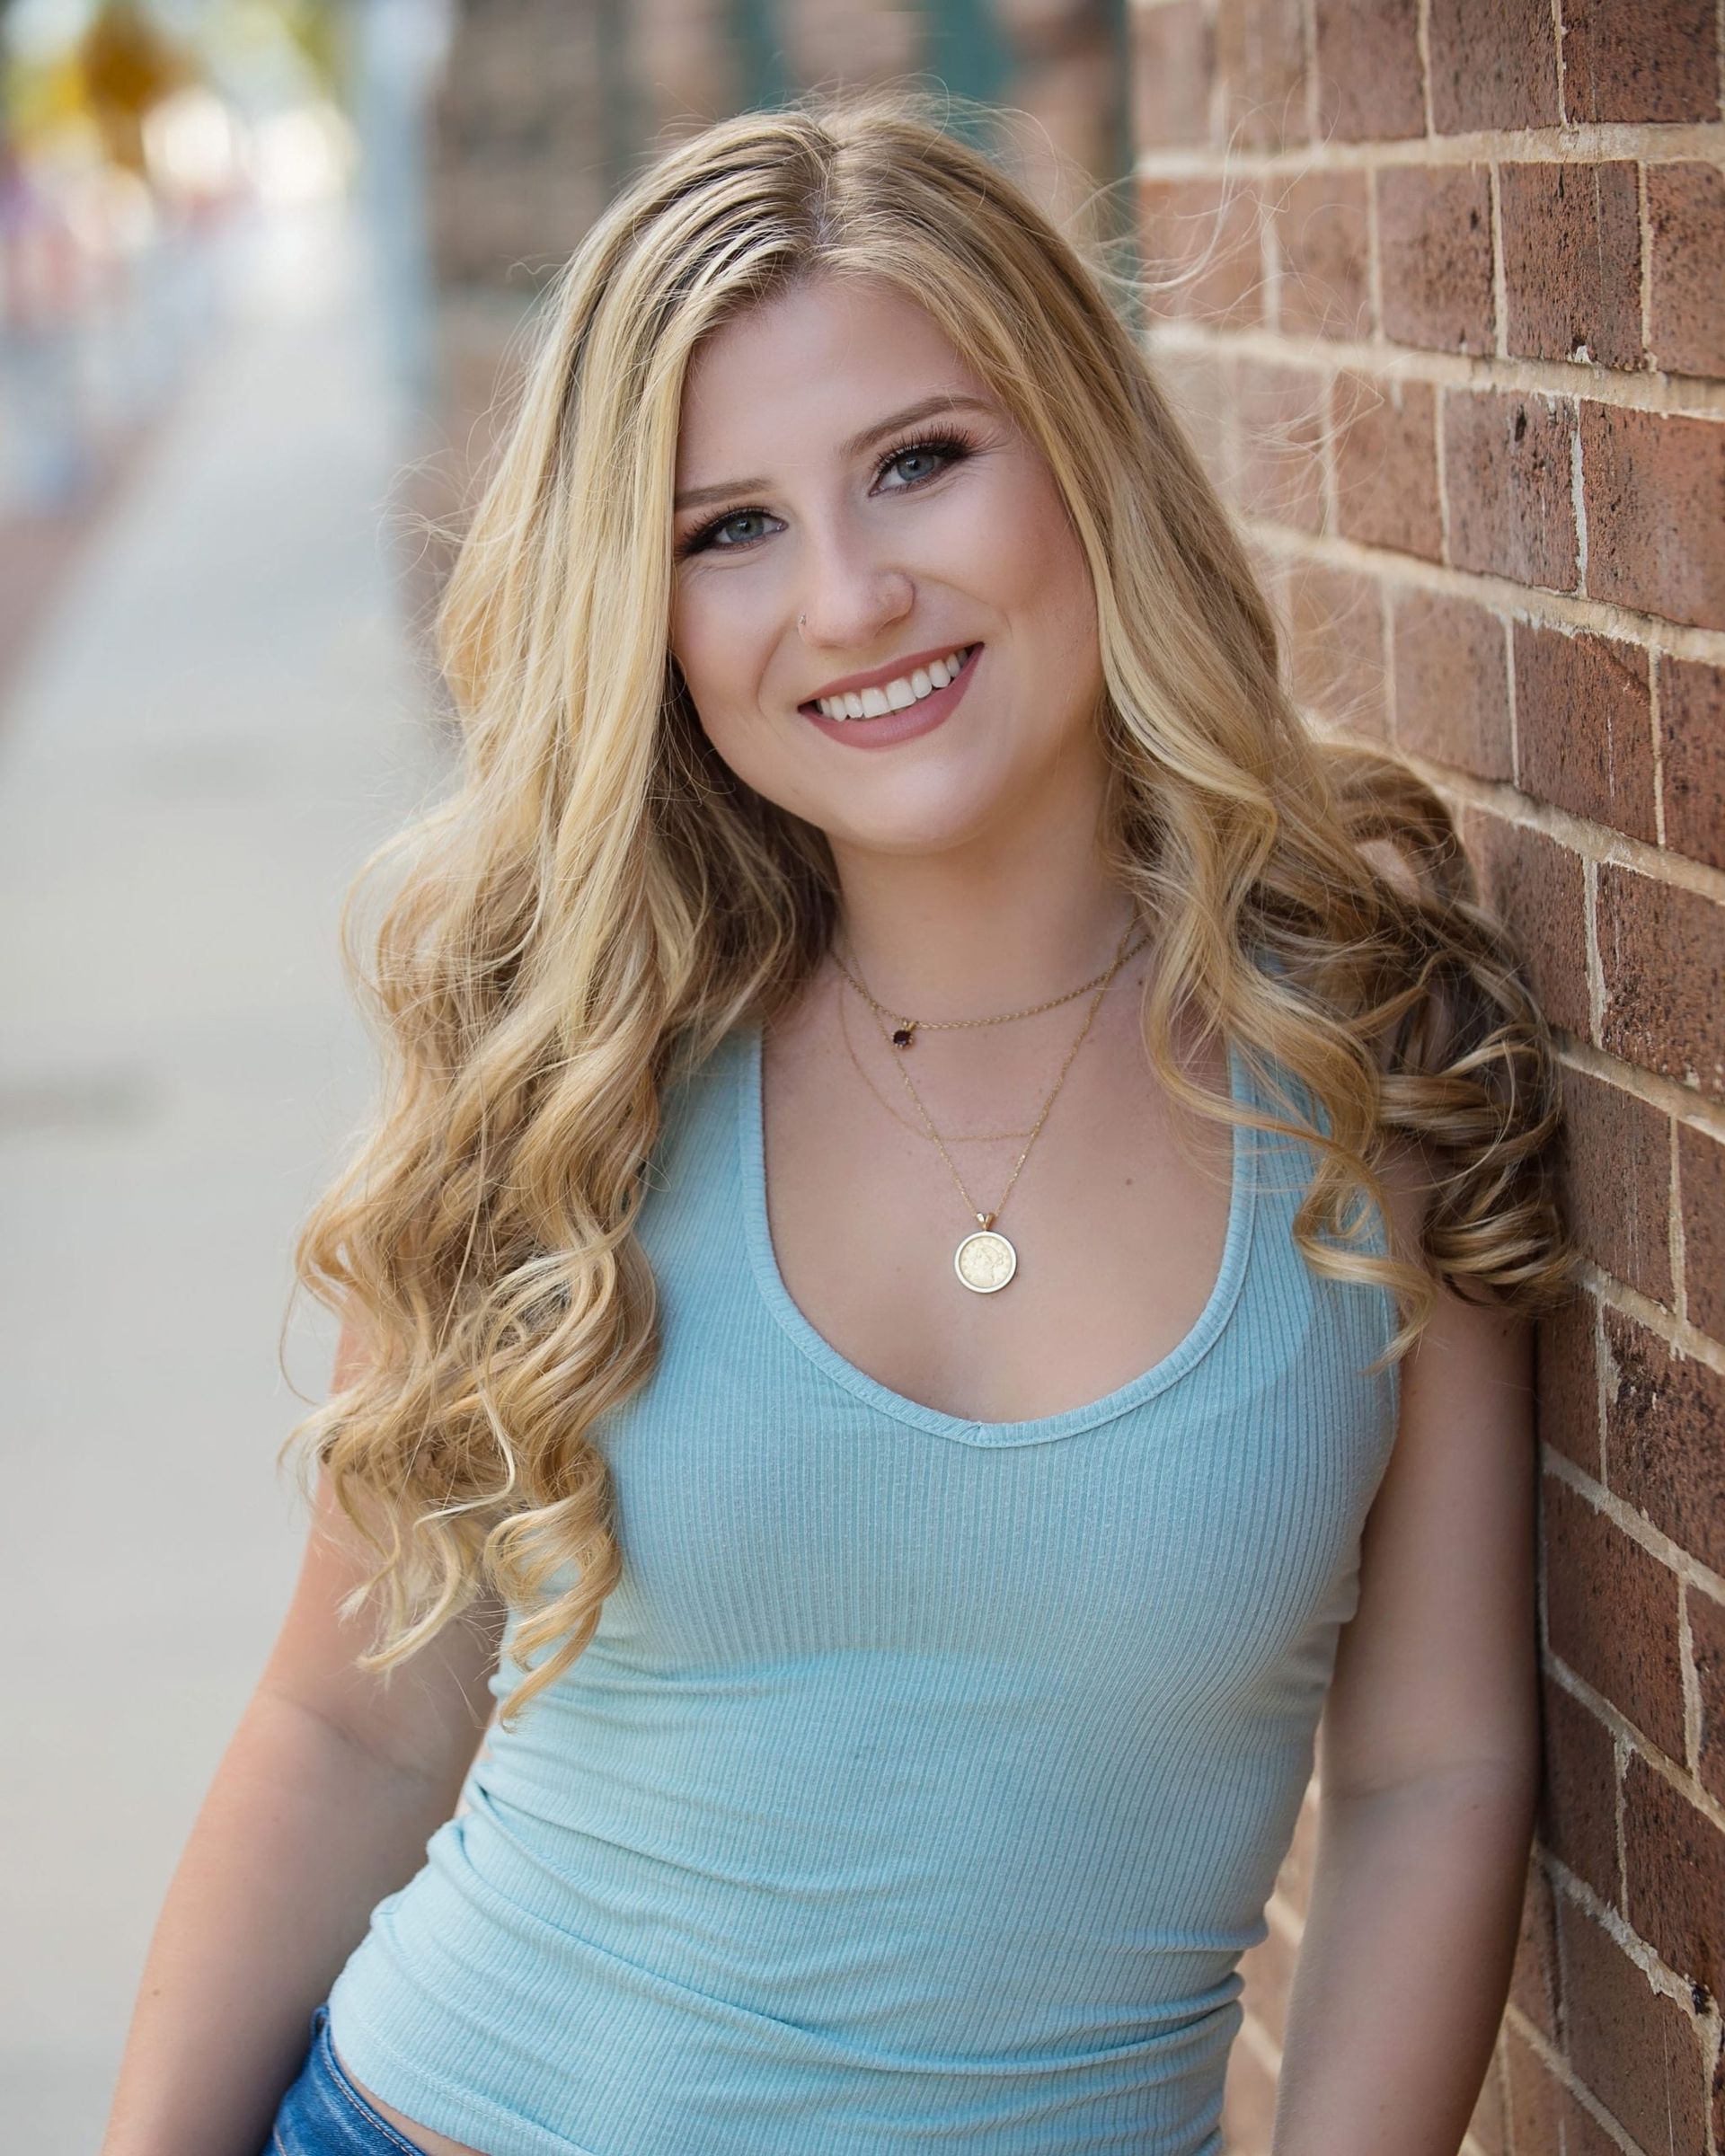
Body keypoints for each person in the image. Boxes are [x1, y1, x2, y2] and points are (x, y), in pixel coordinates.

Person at [99, 90, 1577, 2156]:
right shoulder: (581, 1058)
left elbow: (1433, 1778)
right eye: (732, 529)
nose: (855, 596)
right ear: (654, 609)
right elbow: (353, 1717)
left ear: (1081, 458)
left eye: (918, 464)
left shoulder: (1373, 1068)